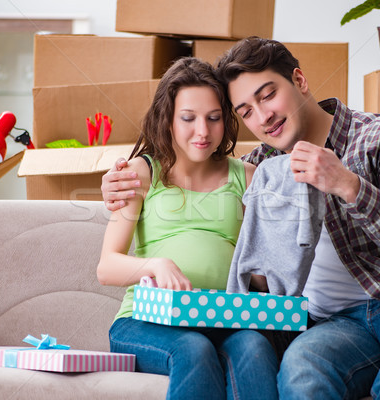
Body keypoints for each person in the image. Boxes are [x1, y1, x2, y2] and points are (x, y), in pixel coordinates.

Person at [101, 37, 380, 400]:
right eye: (246, 112)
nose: (263, 117)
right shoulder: (261, 169)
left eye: (268, 95)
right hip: (335, 326)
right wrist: (117, 185)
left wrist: (348, 185)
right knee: (301, 376)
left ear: (299, 80)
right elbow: (201, 184)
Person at [96, 56, 278, 400]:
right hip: (145, 322)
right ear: (167, 120)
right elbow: (107, 266)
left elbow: (265, 272)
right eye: (188, 118)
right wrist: (155, 264)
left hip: (224, 321)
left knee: (255, 347)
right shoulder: (141, 172)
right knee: (193, 349)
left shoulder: (247, 177)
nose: (203, 132)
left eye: (214, 118)